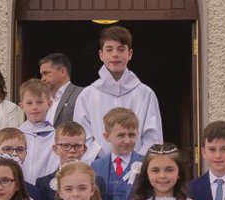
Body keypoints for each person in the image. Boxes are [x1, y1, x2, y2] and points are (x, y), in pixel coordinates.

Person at [74, 25, 162, 157]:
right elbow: (82, 136)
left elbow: (153, 137)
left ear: (130, 54)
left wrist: (136, 165)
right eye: (109, 50)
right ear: (101, 54)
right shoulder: (88, 95)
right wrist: (104, 163)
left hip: (136, 170)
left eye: (121, 49)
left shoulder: (145, 94)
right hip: (97, 169)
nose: (115, 54)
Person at [34, 121, 108, 200]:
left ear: (84, 149)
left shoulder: (97, 181)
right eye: (65, 146)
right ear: (55, 148)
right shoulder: (43, 183)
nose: (72, 151)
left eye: (77, 146)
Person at [18, 78, 59, 185]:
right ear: (21, 106)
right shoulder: (16, 136)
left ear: (49, 104)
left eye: (40, 102)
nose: (35, 107)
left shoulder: (56, 138)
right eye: (29, 103)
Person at [39, 52, 82, 126]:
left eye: (46, 73)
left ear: (63, 72)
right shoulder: (41, 99)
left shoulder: (81, 94)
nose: (42, 79)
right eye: (42, 75)